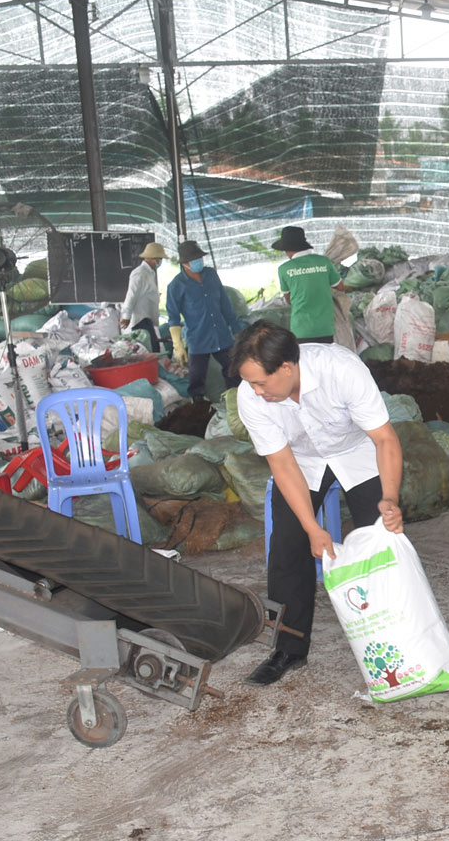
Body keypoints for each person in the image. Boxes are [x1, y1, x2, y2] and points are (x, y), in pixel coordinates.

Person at [231, 321, 405, 686]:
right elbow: (282, 463)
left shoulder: (341, 369)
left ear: (287, 367)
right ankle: (288, 649)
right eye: (250, 383)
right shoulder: (250, 397)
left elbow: (385, 440)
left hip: (356, 450)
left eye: (261, 382)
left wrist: (389, 498)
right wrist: (312, 529)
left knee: (382, 537)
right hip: (302, 462)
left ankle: (397, 637)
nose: (257, 391)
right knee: (287, 548)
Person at [166, 239, 242, 399]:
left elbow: (224, 303)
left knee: (233, 371)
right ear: (185, 263)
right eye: (194, 260)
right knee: (196, 379)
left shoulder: (211, 275)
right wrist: (177, 344)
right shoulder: (176, 286)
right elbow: (173, 317)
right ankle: (199, 408)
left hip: (221, 335)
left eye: (199, 258)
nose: (198, 262)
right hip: (198, 339)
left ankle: (236, 402)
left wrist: (236, 329)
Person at [273, 226, 345, 345]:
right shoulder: (324, 262)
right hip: (325, 328)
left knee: (305, 362)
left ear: (287, 249)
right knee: (325, 360)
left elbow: (288, 300)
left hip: (301, 330)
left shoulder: (284, 269)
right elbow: (340, 287)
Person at [120, 241, 166, 352]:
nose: (160, 261)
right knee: (150, 350)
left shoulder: (149, 273)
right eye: (159, 258)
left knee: (154, 349)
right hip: (140, 320)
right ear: (153, 258)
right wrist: (126, 316)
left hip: (147, 319)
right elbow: (131, 295)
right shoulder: (139, 273)